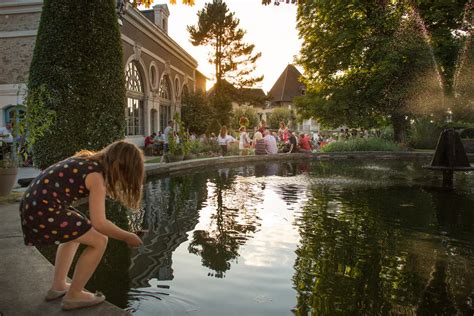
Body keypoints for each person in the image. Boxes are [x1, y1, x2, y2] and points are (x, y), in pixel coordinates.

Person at [19, 140, 143, 310]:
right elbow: (100, 223)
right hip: (43, 211)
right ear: (117, 166)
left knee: (78, 230)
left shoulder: (86, 161)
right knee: (100, 241)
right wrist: (127, 236)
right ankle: (74, 295)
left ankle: (58, 286)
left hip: (32, 207)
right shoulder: (96, 177)